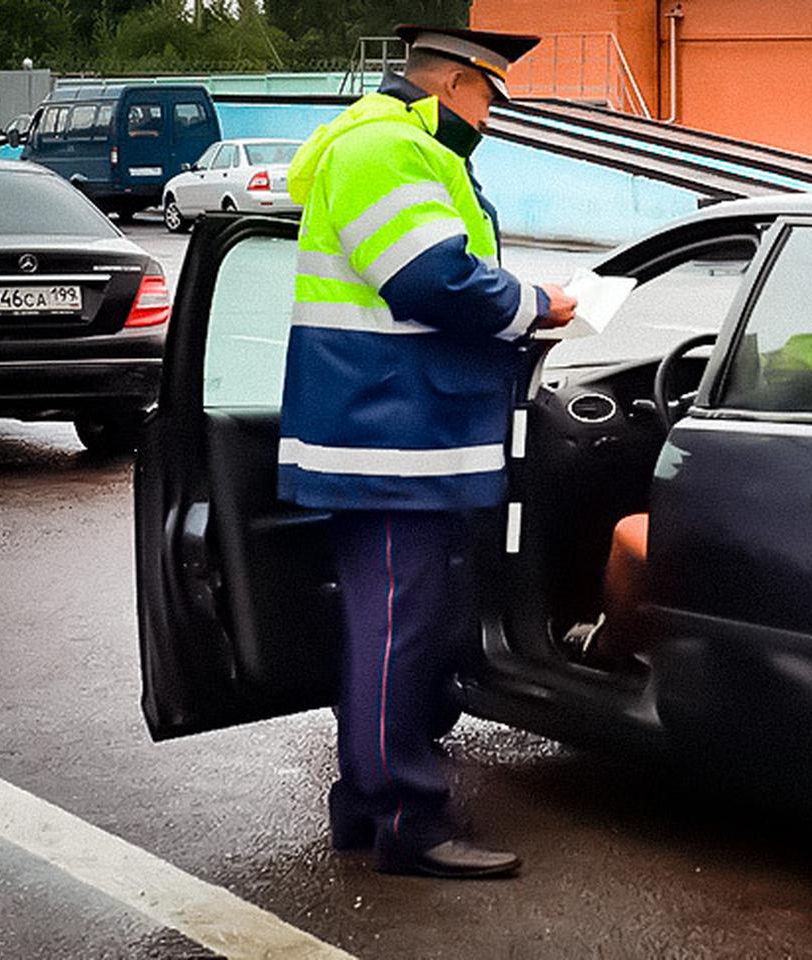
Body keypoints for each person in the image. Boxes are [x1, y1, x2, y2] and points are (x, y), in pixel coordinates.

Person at [277, 24, 576, 878]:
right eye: (487, 97)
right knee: (399, 631)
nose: (491, 116)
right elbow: (430, 280)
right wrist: (540, 304)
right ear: (452, 84)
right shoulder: (384, 149)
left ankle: (366, 807)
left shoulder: (408, 150)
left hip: (404, 429)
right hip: (389, 432)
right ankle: (408, 818)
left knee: (396, 626)